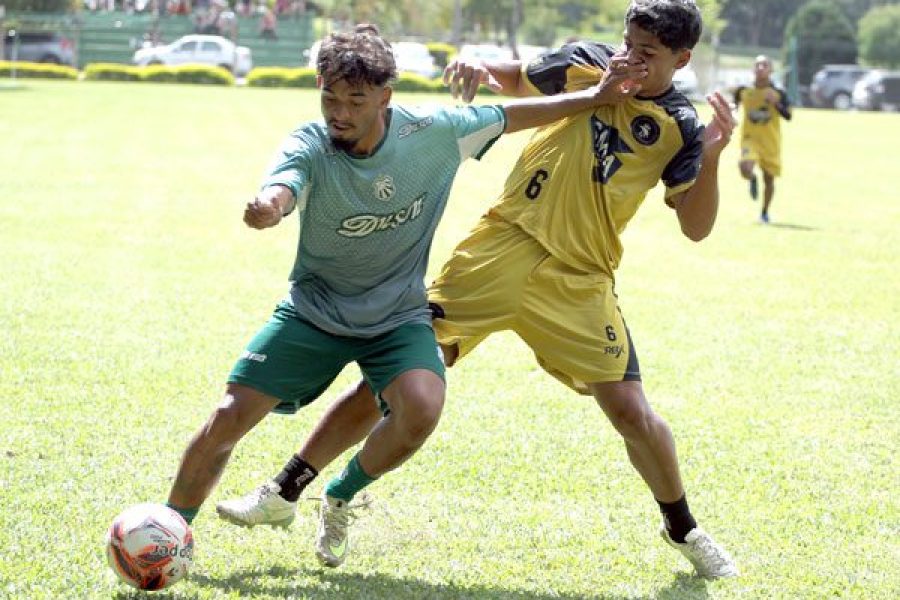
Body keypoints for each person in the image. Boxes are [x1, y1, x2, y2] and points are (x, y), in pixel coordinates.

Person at [219, 0, 739, 579]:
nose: (630, 60)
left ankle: (683, 528)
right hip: (497, 251)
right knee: (393, 381)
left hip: (579, 279)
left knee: (631, 412)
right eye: (628, 43)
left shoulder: (682, 127)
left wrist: (713, 157)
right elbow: (509, 78)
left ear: (682, 59)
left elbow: (696, 226)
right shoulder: (587, 63)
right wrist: (475, 65)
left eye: (648, 54)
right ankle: (285, 490)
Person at [734, 55, 792, 223]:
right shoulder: (743, 90)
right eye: (757, 65)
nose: (760, 68)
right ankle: (752, 178)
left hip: (770, 141)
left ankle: (765, 212)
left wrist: (776, 104)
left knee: (769, 179)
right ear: (753, 69)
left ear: (771, 70)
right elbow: (734, 105)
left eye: (764, 65)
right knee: (744, 167)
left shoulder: (779, 92)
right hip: (749, 139)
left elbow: (788, 116)